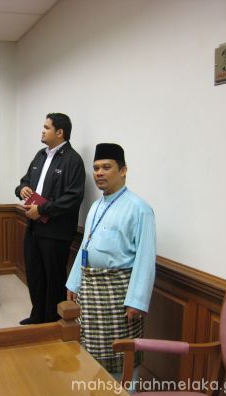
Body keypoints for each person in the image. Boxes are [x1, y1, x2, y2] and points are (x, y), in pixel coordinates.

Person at [66, 143, 156, 378]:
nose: (99, 173)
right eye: (96, 168)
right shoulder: (96, 206)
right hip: (91, 290)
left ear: (123, 170)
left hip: (119, 295)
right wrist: (74, 282)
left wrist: (136, 300)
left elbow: (146, 258)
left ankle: (126, 392)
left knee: (121, 356)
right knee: (90, 350)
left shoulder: (140, 209)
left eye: (106, 167)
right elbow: (85, 247)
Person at [15, 113, 85, 324]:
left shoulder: (73, 160)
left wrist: (42, 209)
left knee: (54, 278)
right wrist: (22, 189)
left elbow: (73, 197)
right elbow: (24, 181)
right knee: (35, 274)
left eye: (47, 127)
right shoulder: (40, 155)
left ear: (60, 132)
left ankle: (52, 322)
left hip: (56, 232)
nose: (42, 130)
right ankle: (37, 316)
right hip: (33, 226)